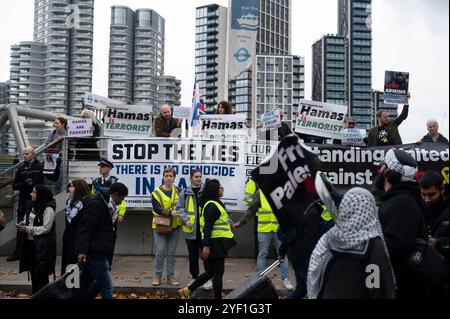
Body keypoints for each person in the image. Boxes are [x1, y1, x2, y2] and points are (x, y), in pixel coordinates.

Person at [307, 188, 396, 299]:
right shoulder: (372, 245)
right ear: (370, 210)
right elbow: (377, 287)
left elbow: (314, 273)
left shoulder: (327, 240)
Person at [376, 148, 428, 299]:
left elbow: (395, 248)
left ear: (388, 172)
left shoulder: (402, 202)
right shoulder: (396, 200)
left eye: (383, 165)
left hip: (402, 289)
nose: (380, 168)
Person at [179, 179, 236, 299]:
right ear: (215, 190)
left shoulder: (213, 203)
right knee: (218, 274)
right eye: (220, 187)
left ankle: (187, 291)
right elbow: (207, 227)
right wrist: (206, 246)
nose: (222, 189)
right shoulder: (212, 205)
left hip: (214, 243)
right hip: (215, 244)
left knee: (210, 272)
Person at [232, 189, 294, 291]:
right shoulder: (260, 193)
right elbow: (251, 210)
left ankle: (286, 278)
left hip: (279, 229)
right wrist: (241, 222)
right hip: (264, 229)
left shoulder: (281, 191)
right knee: (262, 254)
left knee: (283, 254)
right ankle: (259, 278)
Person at [75, 182, 129, 299]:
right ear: (115, 195)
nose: (121, 201)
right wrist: (82, 250)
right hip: (95, 251)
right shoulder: (98, 204)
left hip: (96, 250)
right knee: (107, 285)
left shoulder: (107, 205)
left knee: (84, 285)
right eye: (121, 198)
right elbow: (87, 228)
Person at [8, 147, 60, 262]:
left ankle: (34, 250)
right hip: (23, 200)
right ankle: (18, 252)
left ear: (33, 154)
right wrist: (24, 184)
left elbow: (54, 178)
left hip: (37, 201)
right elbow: (14, 185)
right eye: (24, 153)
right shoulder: (21, 168)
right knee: (21, 225)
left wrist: (58, 164)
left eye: (27, 153)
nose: (25, 156)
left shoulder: (41, 166)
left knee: (37, 224)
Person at [18, 185, 57, 294]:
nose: (31, 194)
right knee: (34, 273)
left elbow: (46, 228)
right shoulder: (32, 205)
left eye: (34, 192)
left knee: (41, 276)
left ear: (41, 195)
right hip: (31, 244)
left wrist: (29, 229)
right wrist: (24, 223)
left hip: (42, 247)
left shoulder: (48, 209)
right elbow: (29, 218)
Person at [176, 169, 211, 290]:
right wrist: (186, 220)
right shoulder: (185, 192)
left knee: (206, 255)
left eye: (200, 176)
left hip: (203, 230)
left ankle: (207, 279)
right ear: (191, 178)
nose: (199, 179)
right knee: (192, 255)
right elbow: (180, 208)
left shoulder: (206, 191)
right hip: (190, 230)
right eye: (196, 177)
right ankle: (195, 278)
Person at [419, 171, 449, 298]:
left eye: (431, 195)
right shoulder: (417, 209)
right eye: (423, 195)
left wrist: (438, 243)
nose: (427, 199)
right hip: (425, 279)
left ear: (441, 190)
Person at [91, 159, 126, 266]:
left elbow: (122, 199)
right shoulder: (96, 182)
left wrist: (121, 213)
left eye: (103, 167)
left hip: (112, 215)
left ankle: (108, 262)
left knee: (111, 238)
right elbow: (93, 196)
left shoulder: (116, 181)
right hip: (99, 214)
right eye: (100, 166)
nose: (100, 169)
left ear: (109, 169)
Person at [151, 167, 182, 287]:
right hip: (160, 225)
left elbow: (182, 205)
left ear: (174, 178)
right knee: (160, 251)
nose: (168, 178)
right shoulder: (156, 192)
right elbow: (156, 208)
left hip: (175, 225)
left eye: (171, 176)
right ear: (163, 177)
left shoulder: (178, 190)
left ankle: (170, 276)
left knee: (171, 252)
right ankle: (157, 275)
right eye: (166, 176)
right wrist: (170, 212)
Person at [61, 179, 90, 275]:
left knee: (75, 266)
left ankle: (74, 288)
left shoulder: (85, 203)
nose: (69, 189)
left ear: (78, 188)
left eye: (72, 186)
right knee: (68, 265)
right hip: (69, 237)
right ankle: (68, 287)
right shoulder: (69, 202)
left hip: (78, 239)